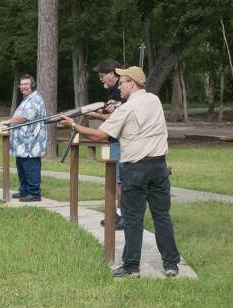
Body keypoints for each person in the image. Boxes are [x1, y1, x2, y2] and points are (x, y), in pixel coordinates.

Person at [59, 66, 181, 278]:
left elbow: (99, 135)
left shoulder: (126, 109)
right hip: (159, 166)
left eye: (122, 82)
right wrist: (104, 113)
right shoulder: (154, 100)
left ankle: (131, 267)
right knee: (162, 216)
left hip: (136, 169)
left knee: (133, 219)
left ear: (132, 84)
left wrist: (73, 125)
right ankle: (171, 264)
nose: (119, 86)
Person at [85, 59, 124, 230]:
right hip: (115, 141)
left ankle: (123, 216)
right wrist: (102, 111)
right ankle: (118, 214)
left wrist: (97, 116)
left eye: (102, 76)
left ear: (113, 74)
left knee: (120, 181)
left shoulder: (121, 91)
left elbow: (118, 117)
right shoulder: (114, 91)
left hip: (121, 142)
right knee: (116, 180)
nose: (100, 79)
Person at [0, 74, 47, 202]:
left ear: (32, 85)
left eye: (26, 84)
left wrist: (8, 121)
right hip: (22, 144)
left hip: (31, 143)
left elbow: (24, 117)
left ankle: (34, 193)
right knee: (22, 167)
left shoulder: (35, 99)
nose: (23, 87)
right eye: (21, 84)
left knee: (30, 167)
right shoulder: (27, 99)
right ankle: (24, 190)